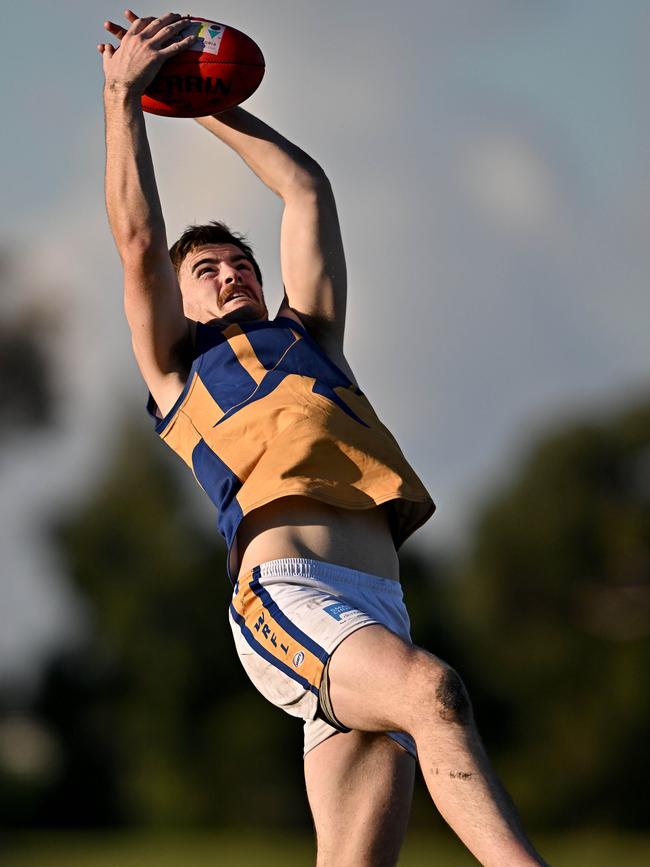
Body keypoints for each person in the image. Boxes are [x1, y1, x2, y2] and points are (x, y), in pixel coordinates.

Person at [99, 11, 547, 866]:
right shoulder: (178, 370)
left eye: (242, 265)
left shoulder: (311, 338)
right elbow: (137, 241)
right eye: (208, 271)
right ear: (181, 297)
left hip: (377, 603)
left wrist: (208, 103)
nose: (231, 273)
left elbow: (305, 188)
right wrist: (125, 96)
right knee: (435, 690)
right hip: (287, 596)